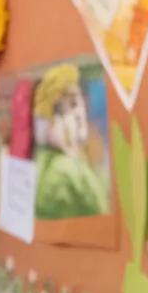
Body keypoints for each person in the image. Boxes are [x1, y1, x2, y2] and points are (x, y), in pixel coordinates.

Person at [33, 64, 109, 218]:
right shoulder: (62, 173)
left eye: (75, 104)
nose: (75, 115)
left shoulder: (87, 157)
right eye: (60, 111)